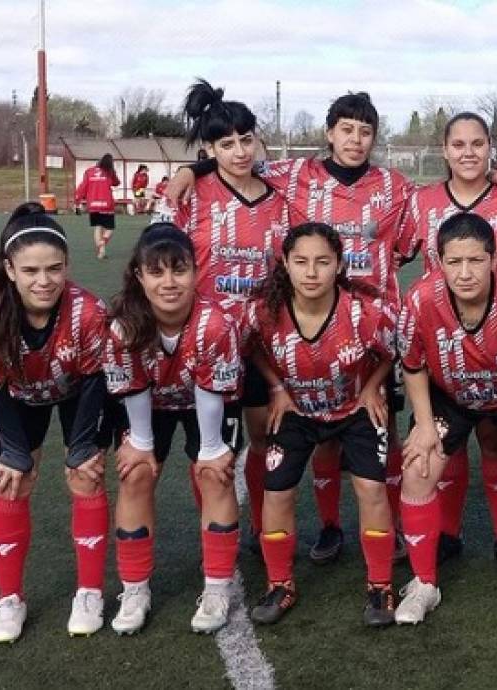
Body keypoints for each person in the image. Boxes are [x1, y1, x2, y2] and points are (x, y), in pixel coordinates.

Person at [169, 91, 414, 566]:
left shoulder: (397, 186)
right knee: (297, 429)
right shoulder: (295, 177)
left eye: (365, 131)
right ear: (329, 132)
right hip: (277, 331)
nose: (356, 140)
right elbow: (235, 163)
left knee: (382, 430)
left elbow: (410, 241)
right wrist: (190, 168)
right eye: (346, 129)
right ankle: (320, 527)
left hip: (367, 332)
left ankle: (396, 527)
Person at [397, 111, 497, 573]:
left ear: (490, 149)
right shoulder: (420, 202)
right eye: (458, 144)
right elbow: (396, 252)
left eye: (477, 144)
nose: (468, 152)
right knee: (448, 447)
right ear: (444, 150)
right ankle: (447, 534)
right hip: (441, 342)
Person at [395, 213, 497, 625]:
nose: (464, 273)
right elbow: (412, 364)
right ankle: (424, 583)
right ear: (439, 261)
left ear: (494, 259)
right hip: (449, 396)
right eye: (454, 262)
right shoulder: (421, 297)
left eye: (475, 261)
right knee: (418, 468)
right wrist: (425, 424)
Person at [0, 203, 110, 643]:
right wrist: (12, 453)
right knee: (13, 480)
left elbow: (95, 380)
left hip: (78, 392)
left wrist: (82, 448)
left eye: (53, 268)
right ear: (10, 270)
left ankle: (90, 592)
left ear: (67, 264)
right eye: (30, 270)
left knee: (85, 477)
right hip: (17, 397)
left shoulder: (88, 311)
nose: (43, 281)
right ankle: (10, 598)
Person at [244, 222, 398, 627]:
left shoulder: (365, 311)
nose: (311, 272)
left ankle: (380, 586)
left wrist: (372, 389)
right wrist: (277, 385)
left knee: (371, 487)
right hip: (297, 410)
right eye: (301, 262)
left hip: (352, 408)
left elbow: (390, 351)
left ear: (340, 265)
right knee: (276, 494)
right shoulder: (263, 310)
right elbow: (254, 347)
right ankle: (280, 583)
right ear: (285, 264)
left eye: (322, 262)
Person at [104, 224, 241, 636]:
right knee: (136, 475)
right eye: (157, 272)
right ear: (139, 276)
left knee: (215, 475)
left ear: (196, 272)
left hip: (209, 398)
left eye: (179, 270)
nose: (168, 282)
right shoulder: (124, 326)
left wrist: (212, 450)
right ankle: (134, 588)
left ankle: (217, 586)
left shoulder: (215, 324)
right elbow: (132, 387)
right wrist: (141, 445)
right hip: (149, 401)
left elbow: (210, 392)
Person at [176, 79, 288, 547]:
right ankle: (216, 538)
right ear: (209, 148)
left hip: (263, 344)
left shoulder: (283, 193)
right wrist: (188, 169)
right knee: (212, 451)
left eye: (246, 139)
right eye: (226, 143)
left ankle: (264, 532)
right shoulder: (192, 194)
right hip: (206, 346)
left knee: (264, 442)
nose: (239, 151)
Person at [75, 153, 120, 260]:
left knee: (98, 227)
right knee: (110, 228)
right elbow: (116, 183)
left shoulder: (89, 171)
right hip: (106, 205)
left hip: (93, 205)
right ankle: (102, 243)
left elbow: (83, 187)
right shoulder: (109, 172)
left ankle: (101, 252)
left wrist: (77, 201)